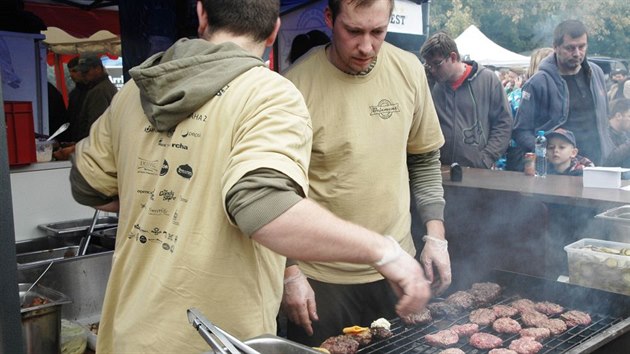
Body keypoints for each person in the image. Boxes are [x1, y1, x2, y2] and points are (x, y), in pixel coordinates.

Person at [69, 0, 430, 352]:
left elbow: (87, 185)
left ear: (202, 14)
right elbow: (265, 208)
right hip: (218, 339)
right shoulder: (269, 94)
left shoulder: (133, 91)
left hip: (129, 332)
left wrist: (175, 192)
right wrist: (384, 251)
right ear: (274, 30)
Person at [282, 0, 450, 346]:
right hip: (322, 279)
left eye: (378, 32)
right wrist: (289, 271)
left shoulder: (409, 71)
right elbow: (280, 191)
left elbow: (423, 158)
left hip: (394, 268)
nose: (366, 46)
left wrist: (436, 235)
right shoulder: (294, 86)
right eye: (353, 31)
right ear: (330, 19)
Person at [512, 20, 614, 170]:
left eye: (582, 47)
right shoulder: (538, 83)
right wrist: (545, 152)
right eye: (570, 48)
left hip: (597, 164)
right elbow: (521, 131)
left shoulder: (596, 73)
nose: (577, 53)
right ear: (555, 47)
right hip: (557, 170)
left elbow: (604, 120)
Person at [419, 32, 513, 169]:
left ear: (453, 57)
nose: (432, 70)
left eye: (436, 64)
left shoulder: (488, 80)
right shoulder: (430, 83)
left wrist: (486, 158)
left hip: (477, 170)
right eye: (428, 65)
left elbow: (504, 123)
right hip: (436, 169)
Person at [68, 53, 118, 142]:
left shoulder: (98, 91)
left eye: (86, 72)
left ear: (98, 69)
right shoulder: (106, 87)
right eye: (82, 72)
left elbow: (95, 127)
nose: (83, 75)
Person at [604, 98, 630, 168]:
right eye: (629, 116)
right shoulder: (603, 134)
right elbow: (608, 159)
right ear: (618, 116)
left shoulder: (626, 134)